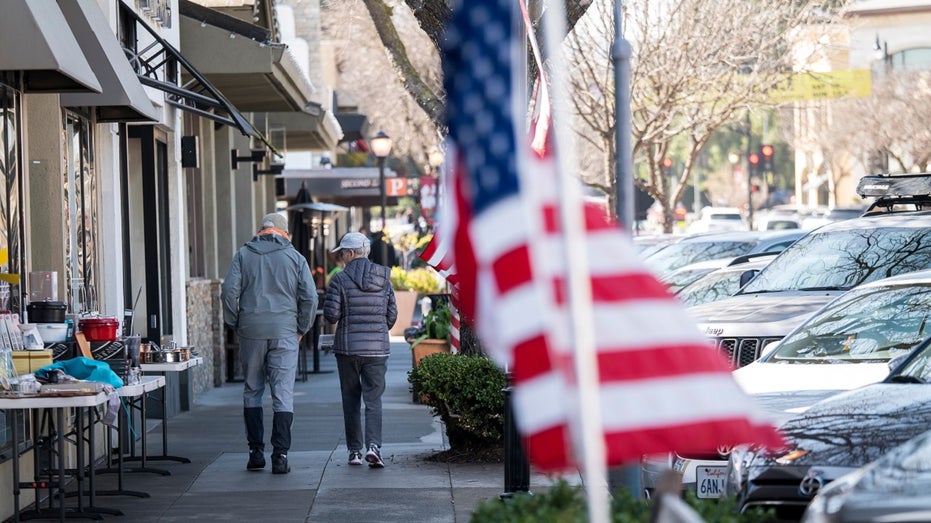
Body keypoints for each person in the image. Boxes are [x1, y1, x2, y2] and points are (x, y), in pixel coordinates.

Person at [221, 212, 316, 474]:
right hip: (285, 331)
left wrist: (235, 323)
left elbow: (229, 292)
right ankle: (280, 456)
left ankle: (255, 453)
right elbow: (310, 297)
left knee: (252, 389)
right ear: (284, 232)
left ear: (261, 230)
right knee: (283, 393)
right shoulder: (295, 257)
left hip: (251, 329)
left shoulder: (242, 255)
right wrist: (301, 328)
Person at [324, 232, 397, 468]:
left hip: (347, 350)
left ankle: (354, 452)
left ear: (352, 253)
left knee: (351, 400)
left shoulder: (339, 280)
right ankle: (374, 447)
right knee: (374, 400)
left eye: (343, 253)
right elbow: (392, 315)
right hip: (377, 351)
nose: (342, 258)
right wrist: (377, 330)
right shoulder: (384, 278)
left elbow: (332, 314)